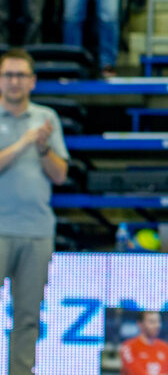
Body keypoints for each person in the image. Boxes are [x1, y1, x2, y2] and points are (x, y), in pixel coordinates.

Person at [0, 49, 68, 375]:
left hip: (37, 231)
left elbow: (60, 175)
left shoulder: (47, 118)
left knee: (28, 317)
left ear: (33, 81)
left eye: (21, 75)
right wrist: (24, 142)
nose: (14, 81)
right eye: (8, 75)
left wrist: (43, 147)